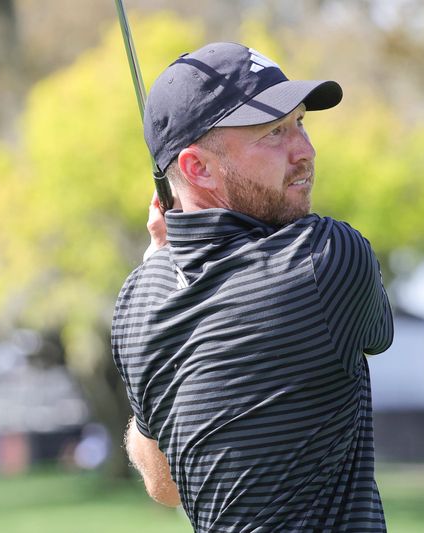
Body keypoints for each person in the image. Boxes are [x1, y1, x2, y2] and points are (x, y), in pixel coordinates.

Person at [111, 42, 394, 532]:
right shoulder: (326, 260)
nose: (304, 152)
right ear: (197, 167)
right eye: (274, 133)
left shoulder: (137, 303)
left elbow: (165, 486)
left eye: (301, 123)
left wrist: (158, 267)